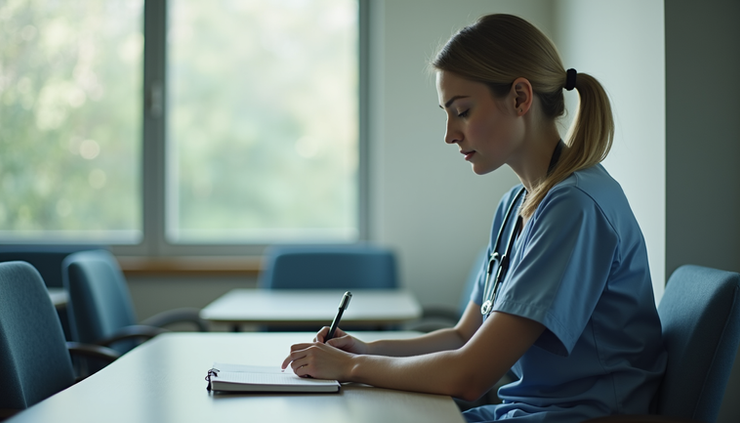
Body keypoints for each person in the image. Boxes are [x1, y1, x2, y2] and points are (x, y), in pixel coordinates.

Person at [281, 13, 667, 422]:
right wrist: (364, 350)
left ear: (520, 98)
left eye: (462, 111)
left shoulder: (575, 207)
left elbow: (471, 376)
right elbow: (464, 335)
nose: (450, 133)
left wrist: (352, 369)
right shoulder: (515, 207)